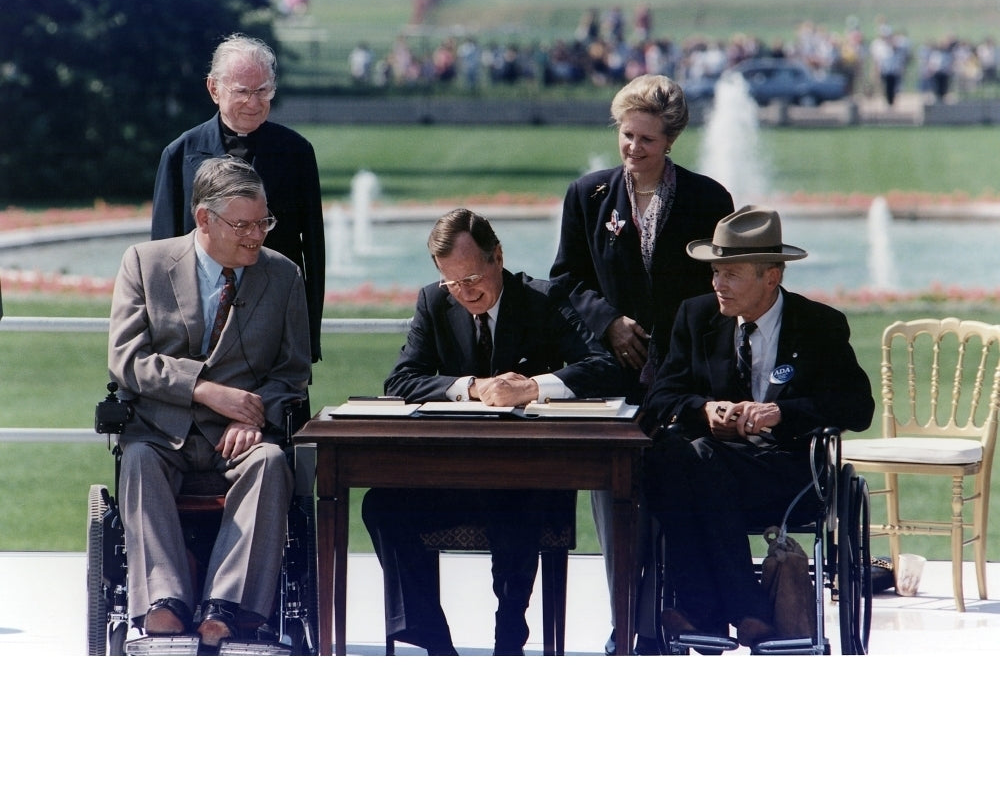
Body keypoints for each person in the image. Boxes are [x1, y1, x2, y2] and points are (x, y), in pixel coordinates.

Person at [362, 208, 621, 655]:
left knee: (517, 498)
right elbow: (401, 380)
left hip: (531, 478)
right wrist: (471, 387)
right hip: (456, 476)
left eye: (473, 277)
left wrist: (534, 387)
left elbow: (604, 368)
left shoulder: (544, 299)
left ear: (497, 256)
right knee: (381, 504)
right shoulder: (434, 302)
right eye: (453, 282)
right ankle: (432, 641)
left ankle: (509, 637)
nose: (465, 292)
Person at [548, 73, 734, 654]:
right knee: (614, 496)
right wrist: (608, 321)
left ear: (670, 140)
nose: (633, 149)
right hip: (611, 376)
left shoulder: (708, 199)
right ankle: (626, 622)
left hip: (684, 378)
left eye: (646, 140)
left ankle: (676, 618)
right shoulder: (588, 195)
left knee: (675, 487)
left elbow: (720, 289)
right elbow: (564, 279)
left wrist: (678, 347)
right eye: (626, 136)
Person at [639, 206, 874, 647]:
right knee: (672, 454)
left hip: (787, 469)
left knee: (688, 462)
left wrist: (782, 413)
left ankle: (705, 611)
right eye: (715, 272)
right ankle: (744, 610)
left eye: (731, 274)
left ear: (772, 276)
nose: (717, 284)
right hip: (710, 467)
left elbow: (858, 408)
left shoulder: (819, 326)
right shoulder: (696, 317)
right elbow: (660, 398)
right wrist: (705, 409)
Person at [109, 156, 311, 647]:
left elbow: (293, 372)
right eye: (243, 225)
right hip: (161, 432)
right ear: (204, 219)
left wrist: (257, 412)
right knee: (135, 458)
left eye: (263, 222)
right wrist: (201, 389)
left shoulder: (282, 276)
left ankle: (226, 606)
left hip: (239, 439)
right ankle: (164, 602)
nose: (256, 236)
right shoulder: (145, 263)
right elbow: (126, 359)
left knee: (268, 461)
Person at [151, 33, 325, 364]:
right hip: (197, 333)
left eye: (263, 91)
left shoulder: (297, 152)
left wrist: (307, 339)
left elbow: (314, 252)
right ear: (214, 89)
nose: (254, 102)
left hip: (275, 327)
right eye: (242, 92)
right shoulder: (178, 155)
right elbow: (162, 257)